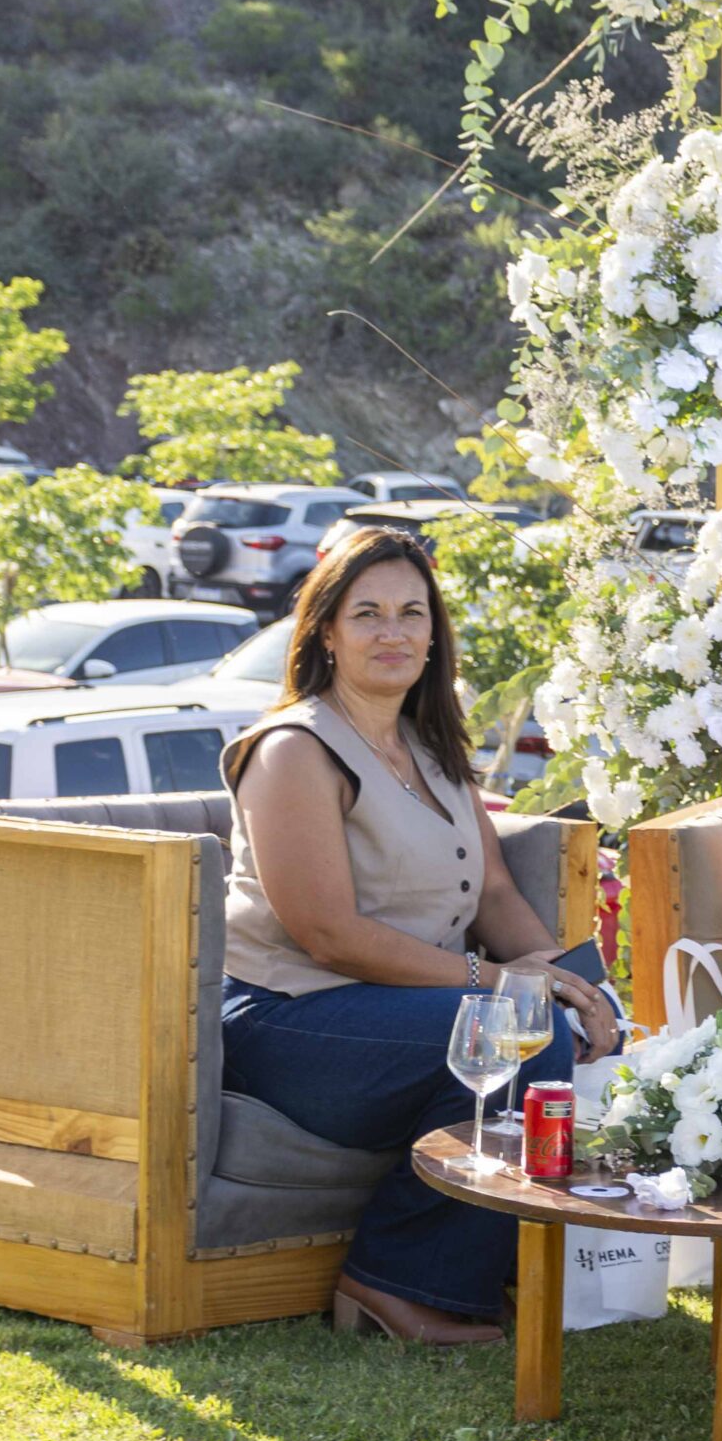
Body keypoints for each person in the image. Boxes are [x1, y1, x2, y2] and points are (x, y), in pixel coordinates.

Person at [218, 526, 621, 1347]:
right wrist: (496, 982)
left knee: (558, 1022)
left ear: (435, 632)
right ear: (325, 631)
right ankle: (394, 1281)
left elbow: (497, 888)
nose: (393, 632)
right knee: (514, 1033)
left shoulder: (432, 746)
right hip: (291, 1020)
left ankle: (542, 1263)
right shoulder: (293, 750)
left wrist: (573, 978)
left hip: (409, 1008)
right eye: (367, 614)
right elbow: (328, 934)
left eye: (411, 612)